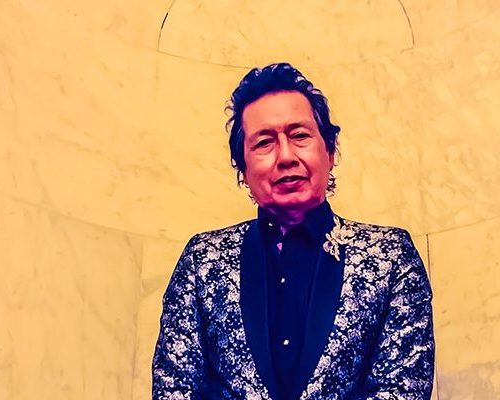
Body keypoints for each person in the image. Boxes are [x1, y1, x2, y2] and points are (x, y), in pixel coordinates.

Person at [152, 63, 435, 400]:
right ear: (243, 169)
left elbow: (402, 390)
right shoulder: (202, 260)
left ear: (330, 151)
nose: (286, 156)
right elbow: (174, 388)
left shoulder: (390, 256)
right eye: (264, 143)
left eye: (300, 136)